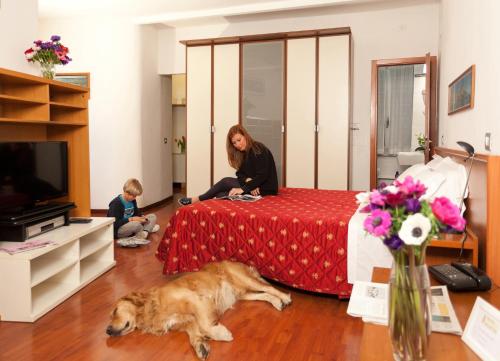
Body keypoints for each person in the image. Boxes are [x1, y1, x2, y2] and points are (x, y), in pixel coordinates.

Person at [178, 124, 278, 206]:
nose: (238, 145)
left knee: (225, 182)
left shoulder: (258, 148)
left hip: (266, 188)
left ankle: (196, 199)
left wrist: (244, 188)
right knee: (221, 194)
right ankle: (201, 202)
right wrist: (248, 181)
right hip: (254, 186)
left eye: (239, 140)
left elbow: (263, 175)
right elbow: (240, 174)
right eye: (234, 143)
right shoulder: (244, 153)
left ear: (245, 136)